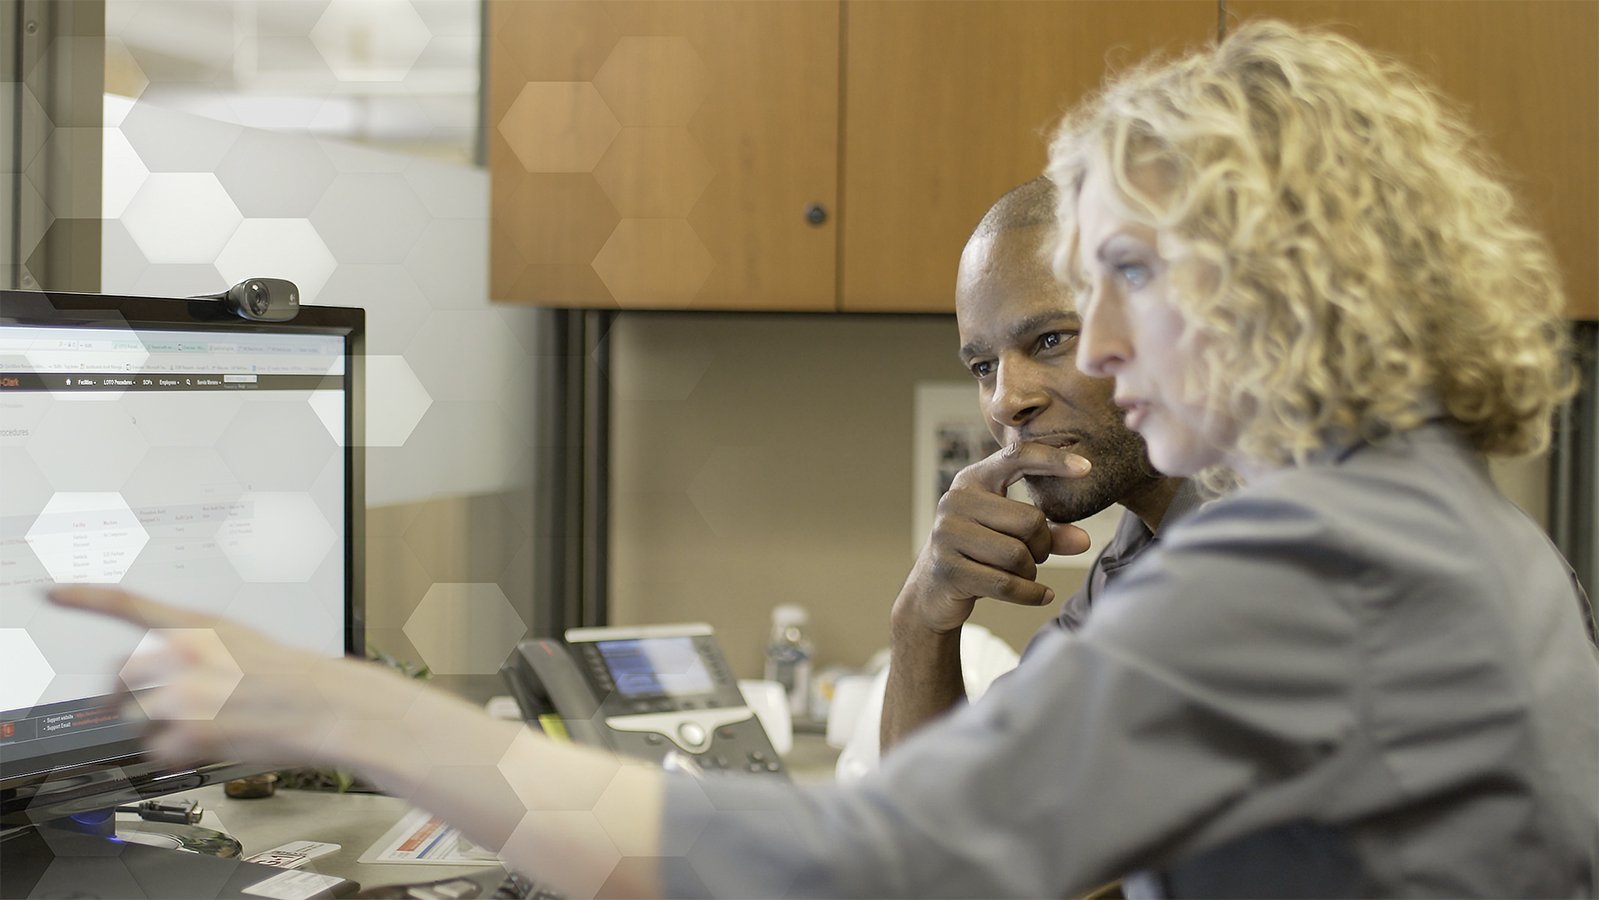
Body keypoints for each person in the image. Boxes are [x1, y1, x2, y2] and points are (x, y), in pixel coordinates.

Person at [50, 20, 1596, 898]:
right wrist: (925, 618)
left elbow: (868, 873)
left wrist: (330, 700)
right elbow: (973, 845)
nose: (1093, 360)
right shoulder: (1388, 517)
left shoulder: (1325, 561)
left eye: (1128, 280)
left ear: (1282, 277)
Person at [875, 177, 1200, 758]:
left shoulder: (1255, 552)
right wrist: (920, 619)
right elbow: (942, 811)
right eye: (982, 366)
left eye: (1051, 339)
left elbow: (958, 828)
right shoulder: (1139, 555)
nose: (1005, 399)